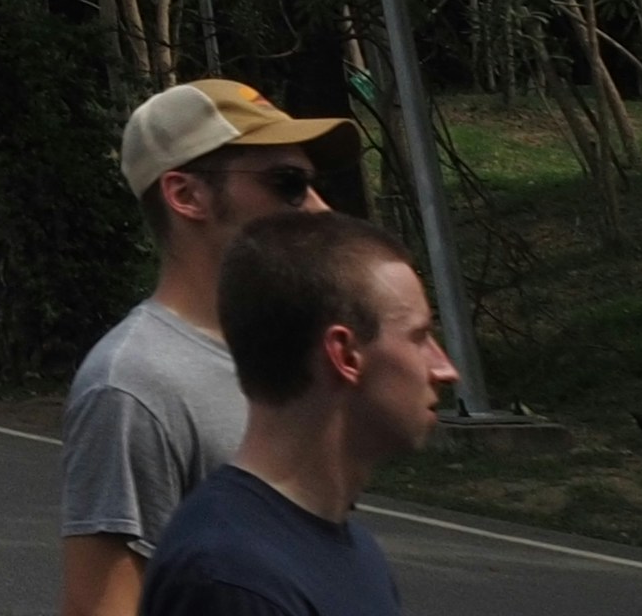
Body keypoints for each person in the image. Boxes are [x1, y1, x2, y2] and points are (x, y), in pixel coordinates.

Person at [64, 78, 342, 616]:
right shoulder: (134, 385)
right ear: (186, 195)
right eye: (288, 184)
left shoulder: (285, 356)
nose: (320, 209)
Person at [138, 209, 455, 616]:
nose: (445, 368)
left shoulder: (351, 550)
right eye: (420, 337)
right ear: (345, 354)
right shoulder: (234, 580)